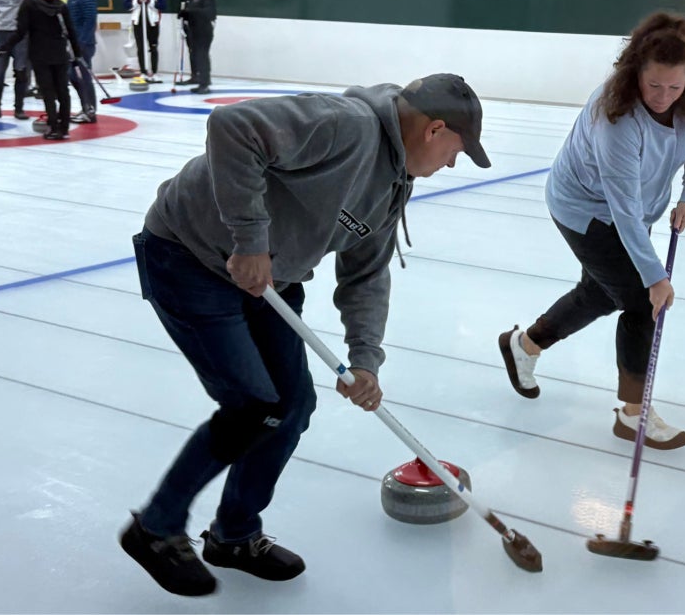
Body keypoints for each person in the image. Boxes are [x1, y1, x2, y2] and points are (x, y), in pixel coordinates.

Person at [121, 73, 492, 597]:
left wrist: (364, 360)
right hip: (190, 256)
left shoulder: (392, 185)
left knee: (291, 407)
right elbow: (233, 126)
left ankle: (233, 535)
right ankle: (155, 528)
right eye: (457, 151)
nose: (452, 165)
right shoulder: (346, 125)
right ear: (434, 130)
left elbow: (366, 275)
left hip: (271, 279)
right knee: (252, 407)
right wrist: (250, 239)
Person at [497, 12, 685, 450]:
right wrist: (655, 278)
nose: (664, 96)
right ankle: (634, 413)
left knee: (600, 292)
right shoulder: (615, 115)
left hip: (636, 209)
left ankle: (526, 345)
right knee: (639, 300)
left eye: (674, 87)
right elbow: (623, 209)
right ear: (635, 72)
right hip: (584, 209)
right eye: (654, 85)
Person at [0, 0, 81, 141]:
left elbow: (20, 32)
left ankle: (53, 127)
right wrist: (77, 54)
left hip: (40, 53)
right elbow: (70, 31)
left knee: (47, 91)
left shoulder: (29, 3)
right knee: (63, 90)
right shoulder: (60, 4)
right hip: (60, 52)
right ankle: (64, 128)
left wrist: (3, 48)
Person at [62, 0, 98, 123]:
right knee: (72, 75)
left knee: (84, 76)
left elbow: (90, 21)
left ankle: (90, 110)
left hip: (84, 44)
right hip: (73, 43)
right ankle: (86, 106)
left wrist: (81, 43)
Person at [125, 0, 166, 83]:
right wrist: (138, 1)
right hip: (138, 22)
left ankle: (154, 72)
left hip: (152, 22)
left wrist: (149, 1)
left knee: (153, 47)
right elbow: (126, 5)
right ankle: (143, 72)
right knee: (140, 47)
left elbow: (163, 5)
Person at [177, 0, 215, 94]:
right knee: (194, 55)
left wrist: (192, 11)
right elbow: (183, 8)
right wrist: (182, 14)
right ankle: (196, 77)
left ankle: (205, 83)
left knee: (202, 56)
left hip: (203, 30)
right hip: (191, 30)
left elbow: (211, 13)